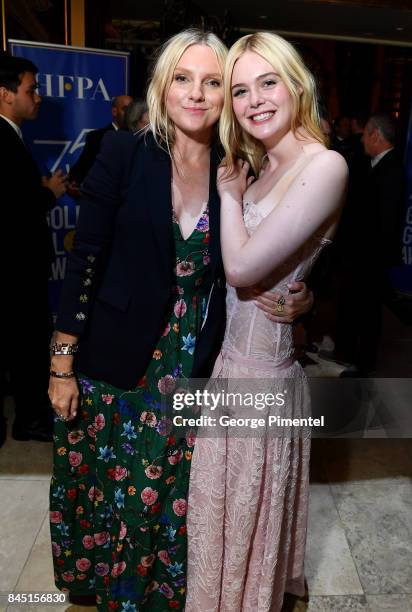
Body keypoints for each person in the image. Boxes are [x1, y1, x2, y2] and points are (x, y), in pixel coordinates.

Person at [48, 29, 312, 611]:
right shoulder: (122, 153)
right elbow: (84, 259)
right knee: (123, 495)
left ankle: (165, 596)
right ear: (163, 88)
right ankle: (121, 595)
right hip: (119, 362)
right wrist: (61, 363)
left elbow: (278, 254)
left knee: (174, 494)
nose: (196, 93)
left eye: (213, 81)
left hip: (197, 361)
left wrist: (304, 298)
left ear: (227, 95)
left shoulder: (239, 168)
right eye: (183, 79)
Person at [186, 32, 348, 612]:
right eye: (239, 90)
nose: (254, 100)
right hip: (232, 372)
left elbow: (243, 266)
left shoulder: (324, 164)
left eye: (268, 81)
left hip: (260, 381)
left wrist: (229, 198)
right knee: (222, 523)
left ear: (296, 82)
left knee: (241, 523)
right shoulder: (260, 165)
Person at [0, 54, 66, 446]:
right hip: (15, 269)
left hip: (20, 267)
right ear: (5, 94)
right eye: (31, 89)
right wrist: (48, 193)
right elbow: (13, 207)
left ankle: (30, 418)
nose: (38, 97)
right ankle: (30, 420)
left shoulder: (12, 136)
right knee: (26, 345)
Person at [337, 113, 405, 376]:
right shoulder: (376, 164)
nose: (362, 140)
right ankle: (354, 355)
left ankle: (363, 364)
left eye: (365, 134)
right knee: (361, 308)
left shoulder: (392, 170)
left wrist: (363, 255)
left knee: (368, 312)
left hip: (370, 259)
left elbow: (383, 222)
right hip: (364, 257)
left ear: (376, 135)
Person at [68, 94, 133, 187]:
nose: (129, 114)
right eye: (125, 109)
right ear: (114, 111)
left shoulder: (139, 139)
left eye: (132, 110)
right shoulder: (97, 137)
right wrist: (73, 181)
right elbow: (83, 167)